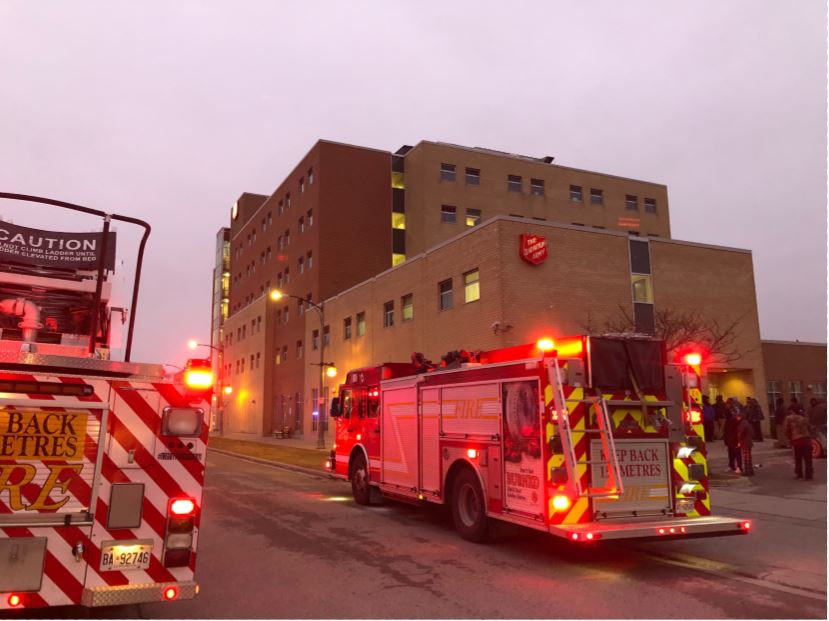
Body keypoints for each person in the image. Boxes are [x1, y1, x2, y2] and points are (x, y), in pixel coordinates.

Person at [784, 407, 813, 480]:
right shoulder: (804, 419)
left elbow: (787, 430)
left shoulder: (789, 419)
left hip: (797, 441)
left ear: (793, 412)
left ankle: (799, 474)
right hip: (807, 440)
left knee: (798, 459)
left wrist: (789, 437)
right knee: (808, 459)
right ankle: (809, 476)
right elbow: (810, 428)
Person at [723, 406, 742, 473]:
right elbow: (726, 431)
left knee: (736, 454)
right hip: (730, 440)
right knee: (731, 454)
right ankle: (732, 466)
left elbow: (734, 431)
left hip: (734, 440)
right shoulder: (728, 420)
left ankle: (739, 467)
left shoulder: (733, 420)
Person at [736, 410, 754, 475]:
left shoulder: (743, 424)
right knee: (748, 457)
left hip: (745, 442)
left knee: (746, 457)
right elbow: (752, 432)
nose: (737, 418)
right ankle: (750, 470)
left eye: (738, 417)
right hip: (748, 442)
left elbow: (741, 433)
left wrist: (739, 438)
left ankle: (747, 471)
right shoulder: (746, 423)